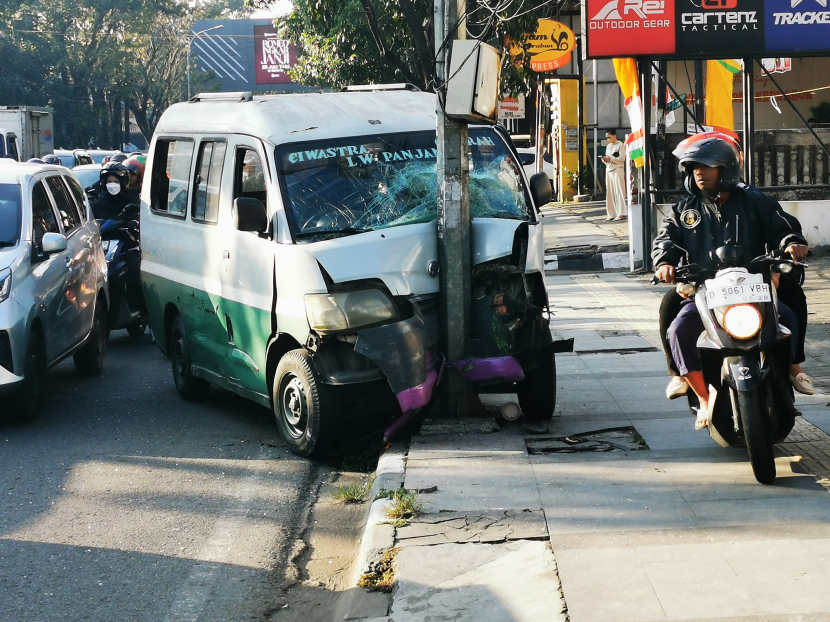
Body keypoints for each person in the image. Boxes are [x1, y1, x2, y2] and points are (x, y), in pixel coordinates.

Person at [652, 132, 811, 430]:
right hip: (707, 290)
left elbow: (783, 226)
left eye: (706, 166)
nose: (699, 172)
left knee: (789, 312)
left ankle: (793, 367)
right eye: (694, 167)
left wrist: (792, 243)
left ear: (725, 168)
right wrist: (664, 262)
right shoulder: (685, 209)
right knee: (677, 327)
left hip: (754, 285)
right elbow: (666, 240)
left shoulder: (754, 200)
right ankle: (700, 394)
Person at [601, 129, 626, 221]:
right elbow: (608, 158)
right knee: (610, 192)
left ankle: (622, 213)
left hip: (618, 169)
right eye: (607, 137)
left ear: (614, 136)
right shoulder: (608, 146)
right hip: (609, 169)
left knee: (619, 191)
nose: (608, 139)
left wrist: (611, 158)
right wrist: (606, 160)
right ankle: (611, 213)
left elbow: (622, 158)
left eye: (609, 137)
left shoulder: (620, 145)